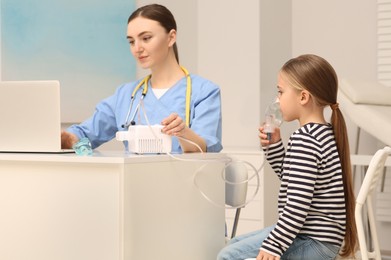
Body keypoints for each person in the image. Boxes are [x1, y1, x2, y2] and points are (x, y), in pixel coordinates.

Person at [217, 54, 357, 260]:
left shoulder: (305, 138)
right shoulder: (322, 132)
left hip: (311, 240)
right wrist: (274, 146)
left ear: (303, 97)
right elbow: (294, 179)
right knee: (235, 244)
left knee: (228, 255)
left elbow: (297, 205)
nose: (276, 100)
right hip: (318, 238)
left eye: (280, 92)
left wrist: (274, 245)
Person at [61, 4, 222, 153]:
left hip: (182, 181)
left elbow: (204, 149)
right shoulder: (126, 95)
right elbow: (84, 134)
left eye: (146, 38)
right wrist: (64, 139)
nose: (137, 48)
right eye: (132, 42)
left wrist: (183, 132)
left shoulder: (204, 92)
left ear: (171, 37)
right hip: (132, 181)